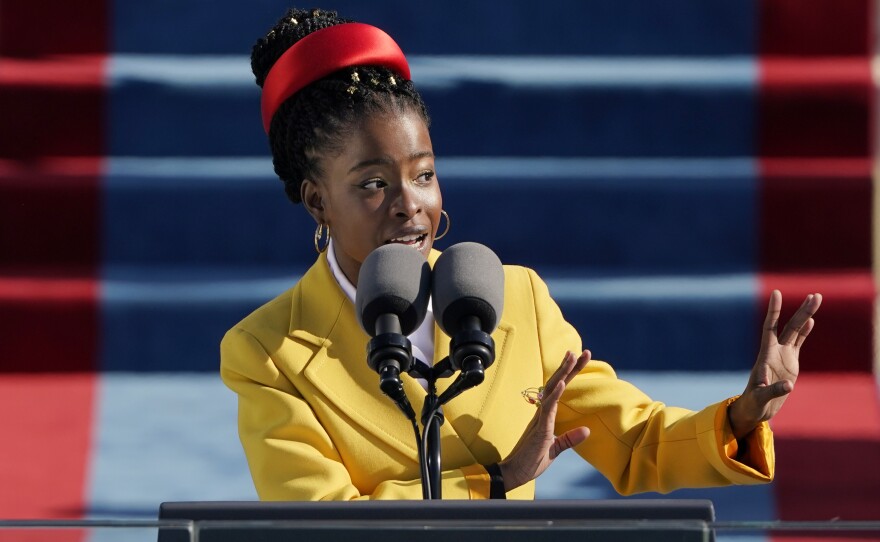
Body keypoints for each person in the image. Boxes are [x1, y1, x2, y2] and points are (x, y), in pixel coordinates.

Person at [220, 7, 822, 501]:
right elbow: (320, 524)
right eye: (374, 184)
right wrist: (498, 482)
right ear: (316, 201)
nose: (411, 205)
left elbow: (635, 442)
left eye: (423, 175)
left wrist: (742, 418)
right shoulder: (268, 353)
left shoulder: (515, 301)